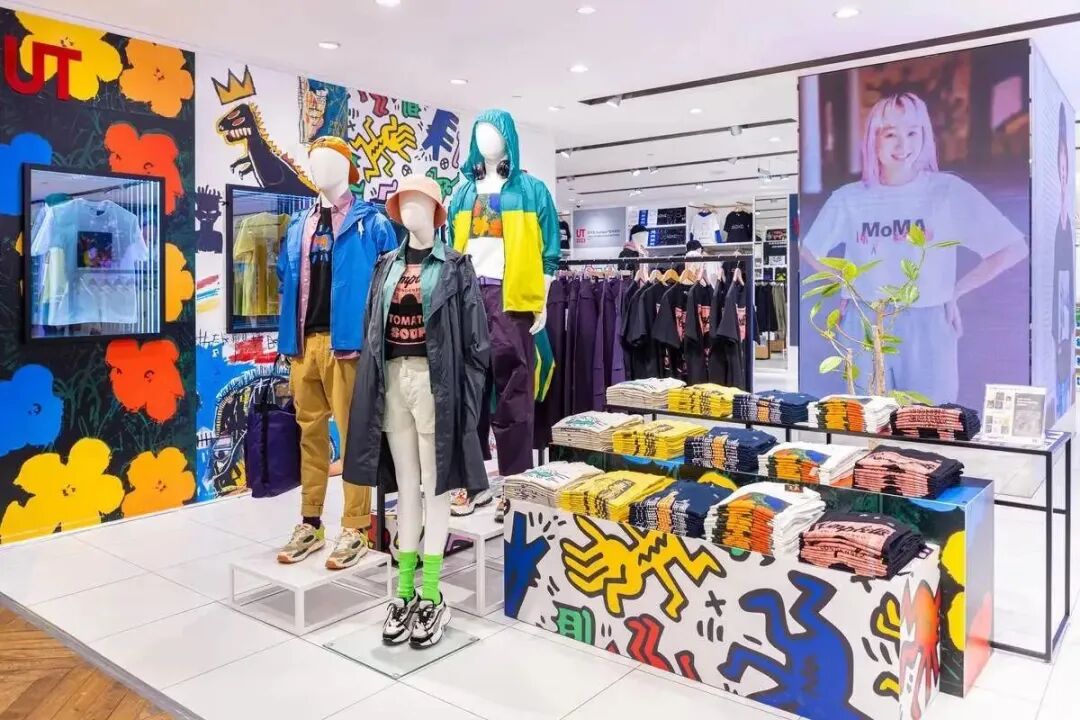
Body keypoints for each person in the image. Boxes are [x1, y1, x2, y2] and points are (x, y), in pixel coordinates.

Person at [800, 91, 1028, 403]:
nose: (902, 145)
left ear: (925, 136)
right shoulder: (849, 198)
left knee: (929, 420)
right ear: (873, 139)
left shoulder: (946, 191)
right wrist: (846, 287)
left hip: (928, 323)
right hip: (864, 321)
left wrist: (953, 292)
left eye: (912, 133)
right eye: (890, 134)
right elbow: (810, 249)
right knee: (867, 418)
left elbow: (1012, 247)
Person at [1052, 103, 1074, 417]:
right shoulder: (1059, 225)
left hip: (1065, 318)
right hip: (1060, 323)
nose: (1064, 168)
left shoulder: (1065, 226)